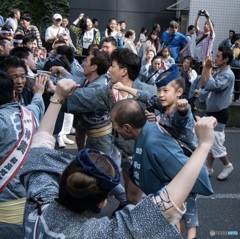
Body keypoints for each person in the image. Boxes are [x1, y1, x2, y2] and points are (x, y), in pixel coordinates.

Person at [19, 77, 217, 239]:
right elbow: (164, 206)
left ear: (64, 176)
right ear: (102, 203)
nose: (112, 126)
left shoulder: (39, 201)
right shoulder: (96, 234)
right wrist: (205, 145)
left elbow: (40, 149)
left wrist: (58, 97)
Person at [62, 48, 157, 204]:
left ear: (124, 71)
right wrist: (58, 92)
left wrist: (157, 118)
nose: (109, 69)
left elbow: (167, 112)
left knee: (142, 195)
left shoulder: (147, 91)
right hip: (126, 151)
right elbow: (85, 97)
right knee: (130, 195)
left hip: (146, 153)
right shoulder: (108, 91)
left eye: (113, 66)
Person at [110, 98, 213, 239]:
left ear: (127, 127)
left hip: (168, 217)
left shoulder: (155, 144)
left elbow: (199, 176)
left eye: (114, 126)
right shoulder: (145, 132)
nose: (113, 129)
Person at [0, 69, 47, 239]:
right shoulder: (28, 115)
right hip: (32, 206)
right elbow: (37, 104)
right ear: (13, 93)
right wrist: (39, 92)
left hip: (5, 211)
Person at [200, 46, 234, 180]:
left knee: (215, 141)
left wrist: (209, 69)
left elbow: (213, 86)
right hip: (213, 111)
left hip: (220, 113)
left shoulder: (228, 74)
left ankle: (227, 165)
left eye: (218, 57)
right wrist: (205, 68)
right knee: (211, 140)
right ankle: (208, 168)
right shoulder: (219, 72)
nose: (215, 58)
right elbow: (203, 83)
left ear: (226, 59)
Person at [193, 9, 215, 74]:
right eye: (205, 24)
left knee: (203, 77)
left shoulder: (211, 36)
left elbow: (212, 31)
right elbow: (195, 26)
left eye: (208, 25)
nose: (206, 25)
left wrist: (208, 18)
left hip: (204, 61)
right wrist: (198, 16)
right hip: (196, 59)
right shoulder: (200, 33)